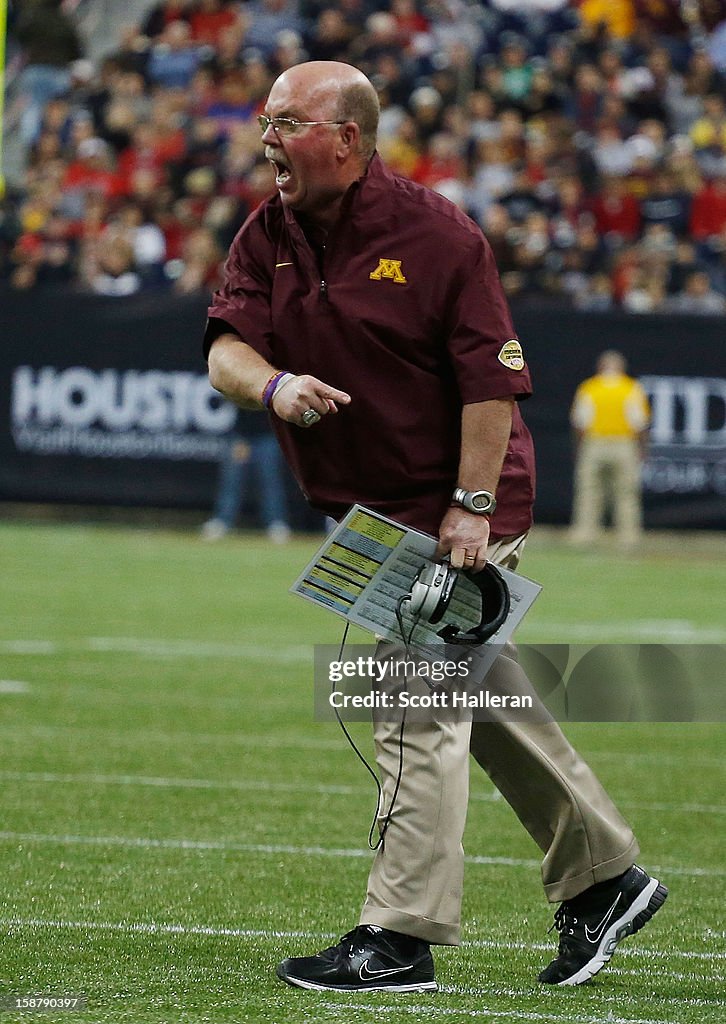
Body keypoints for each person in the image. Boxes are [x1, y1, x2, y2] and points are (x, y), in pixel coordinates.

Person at [203, 60, 667, 993]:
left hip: (459, 499)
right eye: (266, 120)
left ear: (349, 137)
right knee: (480, 701)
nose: (268, 139)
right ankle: (607, 879)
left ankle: (398, 935)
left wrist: (473, 506)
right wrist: (276, 384)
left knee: (412, 702)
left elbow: (492, 381)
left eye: (288, 123)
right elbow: (225, 347)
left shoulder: (437, 233)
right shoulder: (270, 229)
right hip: (372, 516)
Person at [570, 350, 651, 549]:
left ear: (600, 368)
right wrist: (642, 448)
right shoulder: (631, 388)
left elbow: (580, 422)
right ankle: (628, 537)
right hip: (623, 444)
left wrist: (580, 447)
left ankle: (585, 534)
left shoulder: (590, 388)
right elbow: (640, 424)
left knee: (589, 491)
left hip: (595, 442)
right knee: (626, 493)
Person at [201, 407, 291, 543]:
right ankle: (222, 521)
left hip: (268, 435)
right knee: (232, 483)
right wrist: (242, 436)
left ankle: (276, 524)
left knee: (270, 483)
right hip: (242, 436)